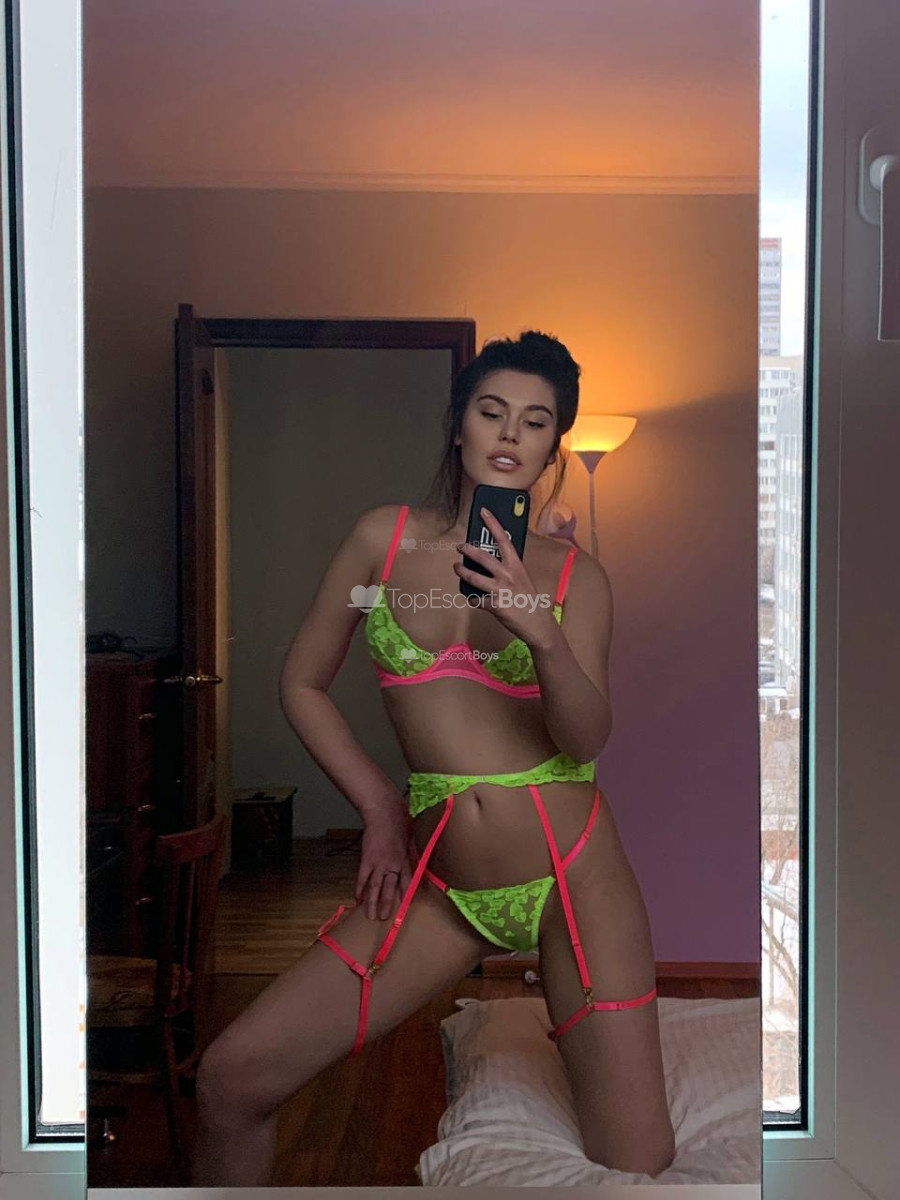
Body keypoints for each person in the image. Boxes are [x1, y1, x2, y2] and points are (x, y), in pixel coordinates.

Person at [192, 330, 676, 1185]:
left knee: (635, 1157)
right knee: (230, 1082)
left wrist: (542, 634)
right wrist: (381, 807)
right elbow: (301, 682)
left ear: (553, 447)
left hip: (575, 881)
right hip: (443, 888)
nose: (510, 433)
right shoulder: (383, 544)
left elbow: (587, 738)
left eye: (536, 421)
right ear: (458, 424)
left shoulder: (575, 576)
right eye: (492, 411)